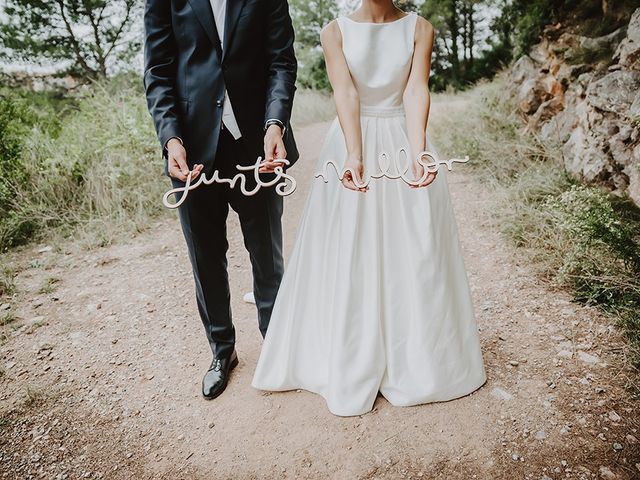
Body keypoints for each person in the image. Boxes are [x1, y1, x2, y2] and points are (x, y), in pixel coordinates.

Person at [252, 0, 487, 416]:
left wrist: (418, 152)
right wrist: (355, 155)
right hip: (350, 142)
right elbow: (345, 91)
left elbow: (416, 89)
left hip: (403, 139)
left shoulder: (420, 27)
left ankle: (418, 358)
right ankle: (351, 354)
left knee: (415, 247)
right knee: (351, 246)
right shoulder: (334, 32)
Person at [143, 0, 298, 400]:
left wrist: (275, 123)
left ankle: (277, 345)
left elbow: (281, 61)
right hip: (191, 152)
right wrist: (171, 138)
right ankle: (221, 351)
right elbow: (158, 72)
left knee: (267, 253)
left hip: (260, 146)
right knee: (205, 258)